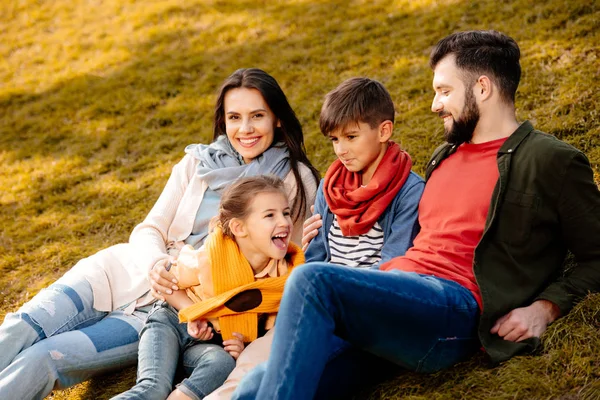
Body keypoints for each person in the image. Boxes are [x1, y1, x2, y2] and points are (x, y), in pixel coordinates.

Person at [232, 30, 600, 400]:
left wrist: (544, 308)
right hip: (398, 304)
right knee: (251, 388)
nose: (434, 105)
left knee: (312, 282)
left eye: (444, 91)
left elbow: (596, 255)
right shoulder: (446, 157)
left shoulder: (550, 160)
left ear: (483, 88)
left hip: (452, 308)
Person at [0, 68, 319, 400]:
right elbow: (150, 228)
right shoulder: (198, 164)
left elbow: (279, 270)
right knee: (24, 325)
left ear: (277, 119)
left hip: (165, 313)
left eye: (257, 116)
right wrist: (157, 265)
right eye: (235, 117)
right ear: (223, 122)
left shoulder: (295, 182)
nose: (246, 128)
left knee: (45, 358)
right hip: (120, 273)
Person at [204, 77, 424, 400]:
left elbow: (395, 271)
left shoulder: (408, 191)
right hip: (324, 316)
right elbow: (318, 259)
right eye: (335, 139)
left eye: (351, 137)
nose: (341, 150)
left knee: (268, 383)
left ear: (384, 131)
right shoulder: (331, 187)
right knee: (253, 383)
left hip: (369, 323)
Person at [114, 175, 305, 400]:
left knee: (223, 363)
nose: (284, 222)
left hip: (209, 341)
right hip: (172, 322)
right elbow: (168, 287)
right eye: (270, 215)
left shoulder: (283, 277)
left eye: (285, 213)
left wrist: (242, 348)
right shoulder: (210, 256)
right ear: (239, 228)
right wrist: (195, 314)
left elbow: (264, 333)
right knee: (153, 387)